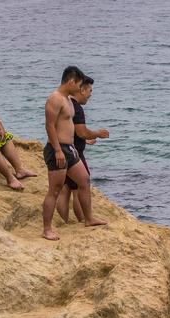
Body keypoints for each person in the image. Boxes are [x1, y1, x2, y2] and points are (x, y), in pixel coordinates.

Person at [42, 66, 107, 241]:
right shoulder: (55, 99)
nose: (80, 88)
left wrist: (83, 141)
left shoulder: (68, 100)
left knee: (84, 180)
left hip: (70, 149)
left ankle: (89, 218)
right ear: (71, 81)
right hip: (58, 149)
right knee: (55, 190)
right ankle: (47, 229)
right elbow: (49, 126)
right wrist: (57, 150)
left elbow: (70, 126)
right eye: (78, 84)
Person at [56, 75, 109, 223]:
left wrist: (85, 140)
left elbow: (70, 130)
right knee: (81, 185)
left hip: (63, 148)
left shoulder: (66, 103)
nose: (91, 94)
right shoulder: (77, 108)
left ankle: (65, 221)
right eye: (90, 91)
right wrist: (98, 133)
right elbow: (81, 132)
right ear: (82, 89)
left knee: (65, 189)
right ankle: (87, 219)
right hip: (73, 153)